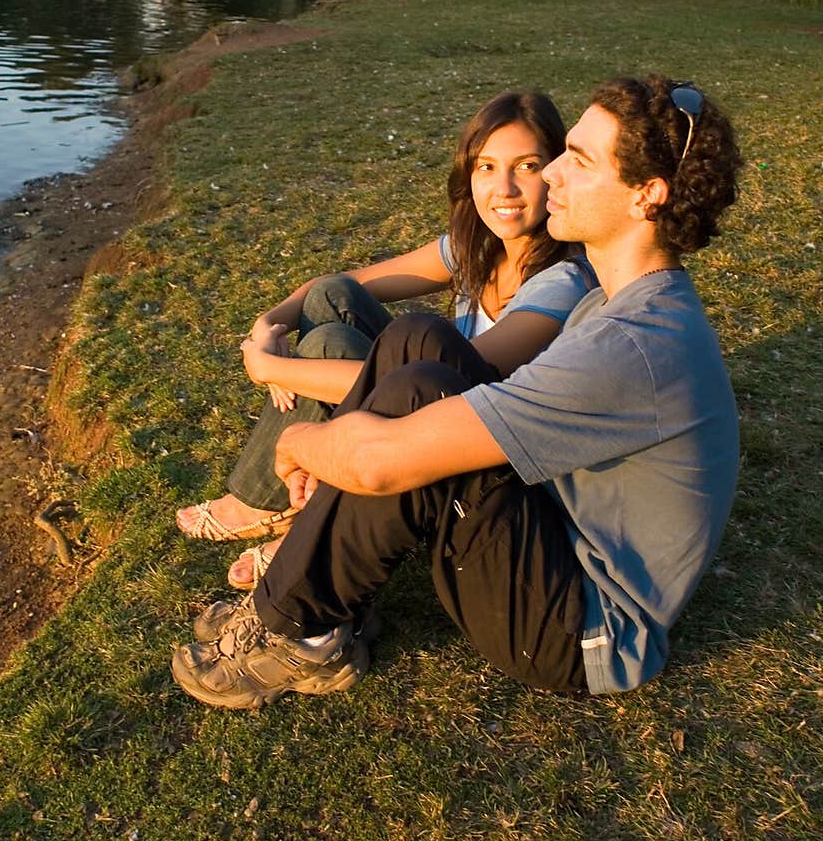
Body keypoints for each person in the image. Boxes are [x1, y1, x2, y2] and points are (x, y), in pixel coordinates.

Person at [171, 75, 742, 711]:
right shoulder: (623, 301)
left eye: (576, 159)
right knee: (419, 342)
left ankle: (294, 629)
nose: (550, 173)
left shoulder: (629, 343)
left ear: (648, 196)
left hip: (582, 629)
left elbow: (377, 461)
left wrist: (303, 440)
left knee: (415, 406)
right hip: (555, 528)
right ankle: (319, 599)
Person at [175, 91, 598, 584]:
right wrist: (267, 325)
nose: (503, 188)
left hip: (481, 451)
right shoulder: (477, 248)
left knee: (329, 346)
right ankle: (303, 494)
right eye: (486, 167)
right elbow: (340, 285)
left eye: (526, 166)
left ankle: (272, 503)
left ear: (557, 172)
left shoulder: (561, 281)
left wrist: (276, 368)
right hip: (430, 416)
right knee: (332, 301)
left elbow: (460, 386)